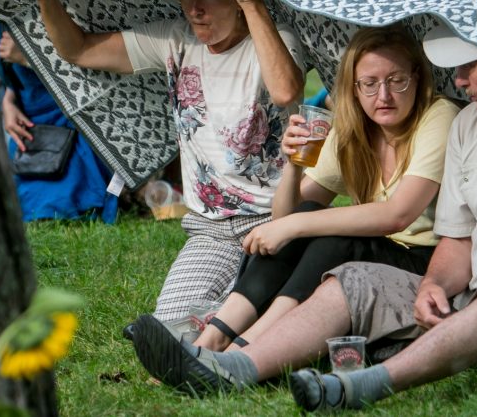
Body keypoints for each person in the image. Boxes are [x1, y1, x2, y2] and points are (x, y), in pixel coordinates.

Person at [129, 23, 477, 410]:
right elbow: (458, 240)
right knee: (351, 277)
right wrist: (434, 285)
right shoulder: (472, 123)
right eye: (452, 70)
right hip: (474, 301)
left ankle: (356, 387)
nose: (457, 80)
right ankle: (232, 366)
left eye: (468, 68)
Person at [0, 0, 305, 321]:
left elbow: (286, 91)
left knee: (244, 322)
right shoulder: (177, 40)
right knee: (173, 322)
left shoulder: (274, 38)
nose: (195, 9)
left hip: (275, 219)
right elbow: (78, 51)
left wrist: (254, 4)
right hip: (211, 228)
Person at [186, 26, 459, 352]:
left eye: (396, 80)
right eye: (370, 84)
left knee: (338, 233)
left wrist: (294, 224)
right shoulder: (353, 129)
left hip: (429, 265)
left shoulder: (440, 116)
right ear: (354, 89)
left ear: (417, 78)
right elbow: (288, 216)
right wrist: (293, 166)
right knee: (315, 217)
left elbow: (398, 215)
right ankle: (213, 338)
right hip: (376, 253)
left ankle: (244, 347)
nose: (383, 96)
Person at [0, 23, 118, 223]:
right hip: (29, 127)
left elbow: (93, 74)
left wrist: (29, 58)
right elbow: (6, 74)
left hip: (75, 121)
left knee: (64, 203)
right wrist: (8, 101)